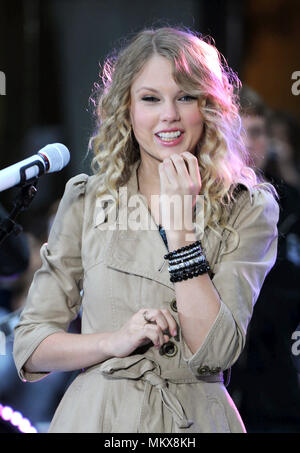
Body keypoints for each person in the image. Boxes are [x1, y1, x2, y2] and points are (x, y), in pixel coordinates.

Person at [13, 27, 279, 433]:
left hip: (194, 418)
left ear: (208, 107)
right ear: (127, 108)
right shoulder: (88, 199)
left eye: (185, 97)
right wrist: (112, 341)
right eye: (150, 99)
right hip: (98, 417)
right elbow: (30, 346)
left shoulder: (247, 205)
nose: (168, 115)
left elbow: (217, 350)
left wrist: (181, 230)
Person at [228, 86, 300, 432]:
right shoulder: (202, 206)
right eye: (236, 133)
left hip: (278, 389)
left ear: (269, 140)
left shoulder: (293, 208)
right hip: (218, 387)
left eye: (255, 132)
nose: (246, 144)